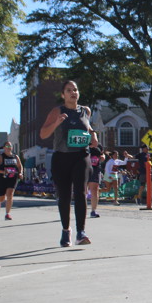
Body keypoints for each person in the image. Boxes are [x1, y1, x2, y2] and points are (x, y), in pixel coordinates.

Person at [40, 80, 99, 246]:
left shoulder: (85, 111)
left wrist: (93, 135)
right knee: (65, 196)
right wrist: (56, 123)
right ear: (63, 95)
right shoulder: (57, 111)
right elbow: (43, 134)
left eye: (75, 90)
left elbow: (88, 127)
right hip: (62, 157)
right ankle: (66, 230)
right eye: (69, 90)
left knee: (80, 193)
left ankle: (81, 232)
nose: (73, 93)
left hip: (81, 156)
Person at [0, 143, 22, 220]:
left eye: (10, 146)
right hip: (2, 178)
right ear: (4, 148)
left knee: (10, 195)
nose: (9, 147)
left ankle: (7, 214)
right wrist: (3, 172)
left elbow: (19, 166)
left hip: (12, 178)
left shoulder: (15, 157)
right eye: (7, 146)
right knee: (2, 197)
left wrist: (20, 173)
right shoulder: (1, 157)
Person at [87, 144, 104, 218]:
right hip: (84, 168)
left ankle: (93, 211)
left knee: (94, 190)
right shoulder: (84, 143)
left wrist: (103, 157)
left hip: (95, 169)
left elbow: (102, 155)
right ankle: (81, 210)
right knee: (82, 190)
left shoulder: (99, 146)